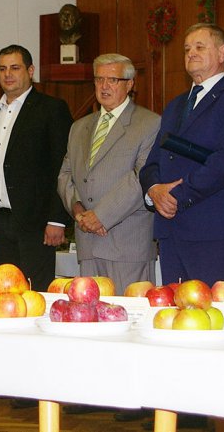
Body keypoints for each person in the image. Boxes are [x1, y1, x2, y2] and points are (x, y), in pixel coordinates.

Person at [139, 24, 224, 287]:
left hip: (211, 227)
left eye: (199, 47)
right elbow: (152, 162)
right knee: (174, 308)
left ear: (222, 53)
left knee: (214, 308)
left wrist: (175, 196)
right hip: (170, 228)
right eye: (186, 49)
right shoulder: (175, 105)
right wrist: (154, 190)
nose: (191, 53)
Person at [0, 45, 72, 294]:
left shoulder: (51, 109)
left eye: (15, 68)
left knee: (35, 293)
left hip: (37, 222)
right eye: (2, 69)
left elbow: (63, 167)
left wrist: (57, 219)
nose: (7, 74)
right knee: (6, 292)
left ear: (30, 71)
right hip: (0, 220)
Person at [57, 53, 161, 295]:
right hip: (87, 241)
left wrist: (101, 216)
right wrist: (79, 211)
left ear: (130, 84)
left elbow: (141, 176)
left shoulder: (149, 123)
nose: (104, 86)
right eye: (99, 79)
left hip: (127, 245)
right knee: (89, 314)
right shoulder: (79, 127)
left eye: (112, 80)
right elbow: (65, 174)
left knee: (129, 313)